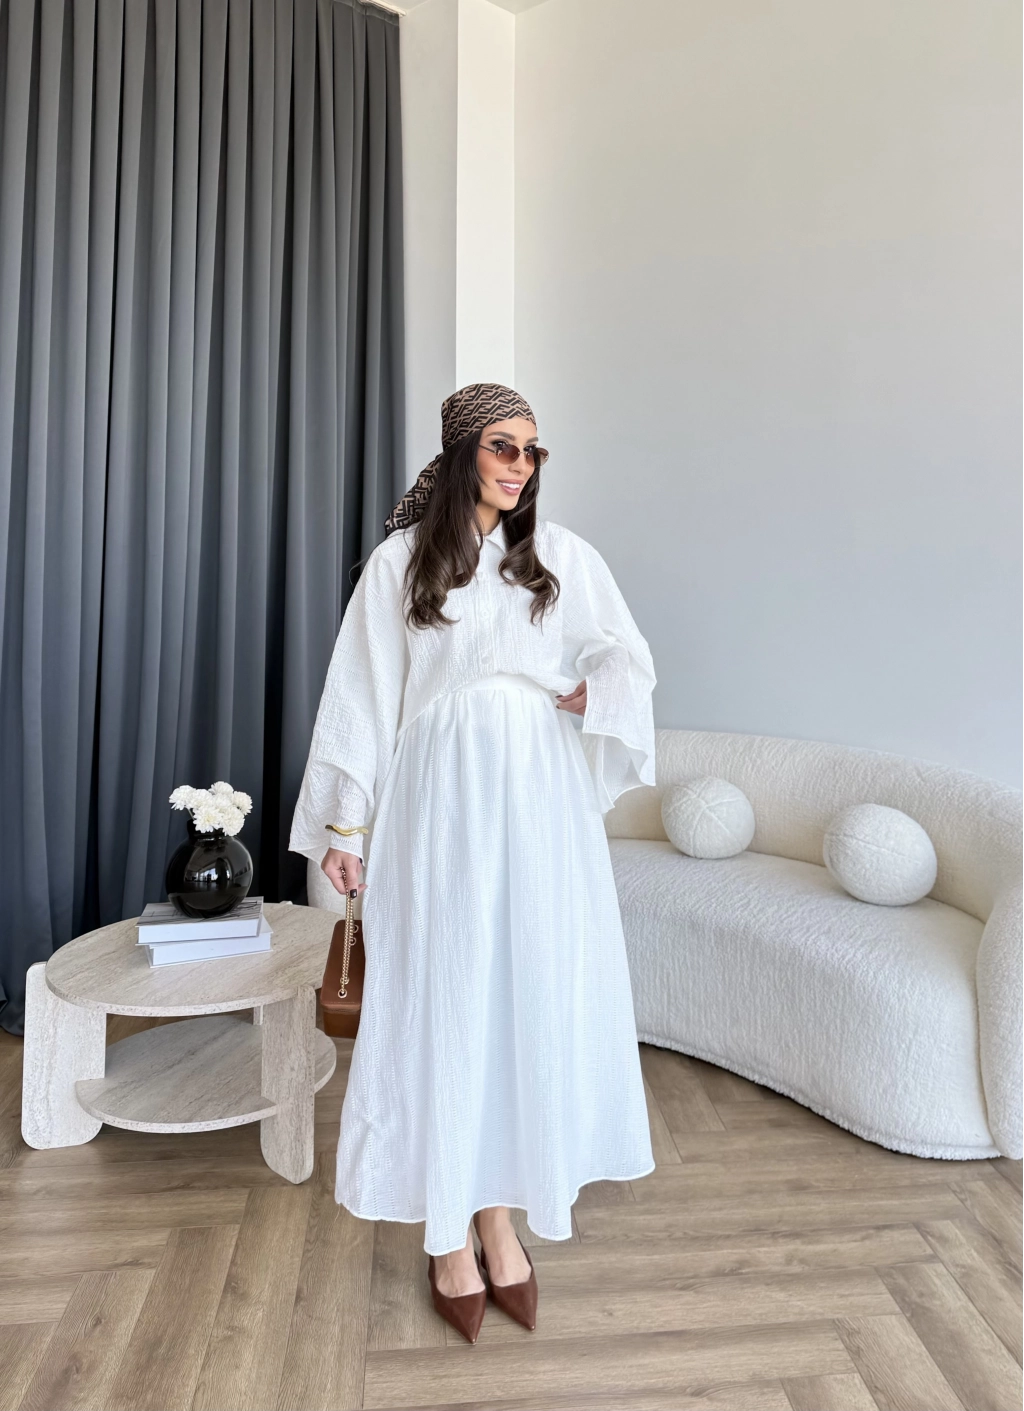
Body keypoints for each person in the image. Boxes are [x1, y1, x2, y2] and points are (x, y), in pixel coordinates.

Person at [290, 383, 657, 1343]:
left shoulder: (560, 557)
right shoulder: (402, 563)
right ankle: (447, 1227)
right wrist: (345, 828)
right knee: (446, 993)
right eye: (503, 445)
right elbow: (360, 697)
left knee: (524, 992)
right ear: (462, 452)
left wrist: (595, 692)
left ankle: (498, 1216)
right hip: (439, 803)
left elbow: (628, 658)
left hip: (541, 801)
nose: (520, 465)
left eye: (533, 450)